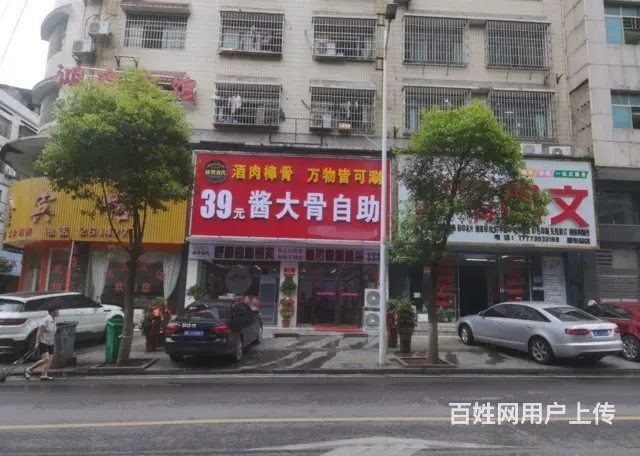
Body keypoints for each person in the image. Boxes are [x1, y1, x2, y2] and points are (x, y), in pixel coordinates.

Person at [24, 304, 59, 381]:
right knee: (46, 359)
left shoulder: (53, 320)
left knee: (50, 359)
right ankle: (29, 369)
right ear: (51, 312)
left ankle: (44, 375)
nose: (58, 312)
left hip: (50, 342)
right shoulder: (46, 320)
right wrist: (37, 342)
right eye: (56, 310)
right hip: (43, 342)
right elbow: (39, 331)